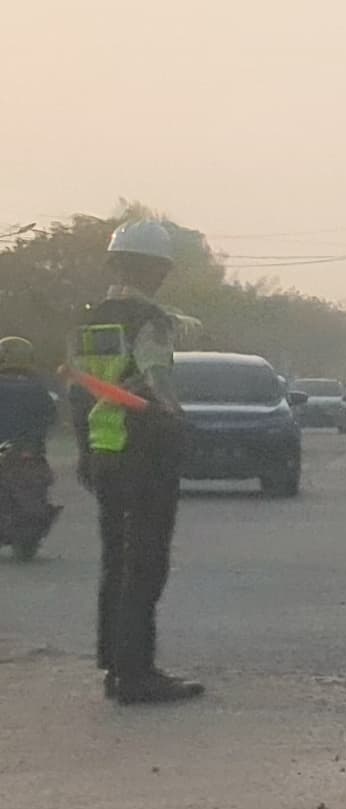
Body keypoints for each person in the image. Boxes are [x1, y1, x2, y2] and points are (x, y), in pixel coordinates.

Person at [76, 219, 202, 704]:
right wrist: (178, 420)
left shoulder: (91, 319)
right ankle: (136, 674)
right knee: (146, 565)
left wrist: (86, 451)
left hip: (104, 450)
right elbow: (156, 383)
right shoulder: (151, 319)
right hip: (144, 453)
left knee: (116, 562)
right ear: (158, 270)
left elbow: (79, 389)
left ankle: (115, 665)